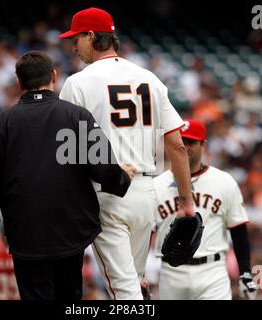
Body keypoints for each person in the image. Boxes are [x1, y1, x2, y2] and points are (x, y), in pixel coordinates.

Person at [0, 51, 134, 300]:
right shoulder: (76, 115)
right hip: (71, 231)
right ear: (54, 76)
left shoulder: (6, 121)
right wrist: (123, 178)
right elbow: (103, 167)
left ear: (19, 82)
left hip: (26, 233)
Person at [58, 7, 195, 300]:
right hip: (146, 193)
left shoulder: (77, 82)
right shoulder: (150, 79)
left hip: (106, 194)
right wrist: (187, 202)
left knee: (125, 291)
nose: (73, 45)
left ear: (92, 36)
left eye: (77, 37)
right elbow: (178, 146)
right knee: (135, 283)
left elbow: (68, 153)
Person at [154, 119, 258, 300]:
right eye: (181, 141)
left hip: (212, 272)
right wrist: (138, 274)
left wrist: (245, 271)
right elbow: (143, 233)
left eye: (191, 142)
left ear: (203, 145)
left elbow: (238, 228)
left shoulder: (224, 181)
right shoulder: (156, 185)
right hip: (171, 273)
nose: (185, 147)